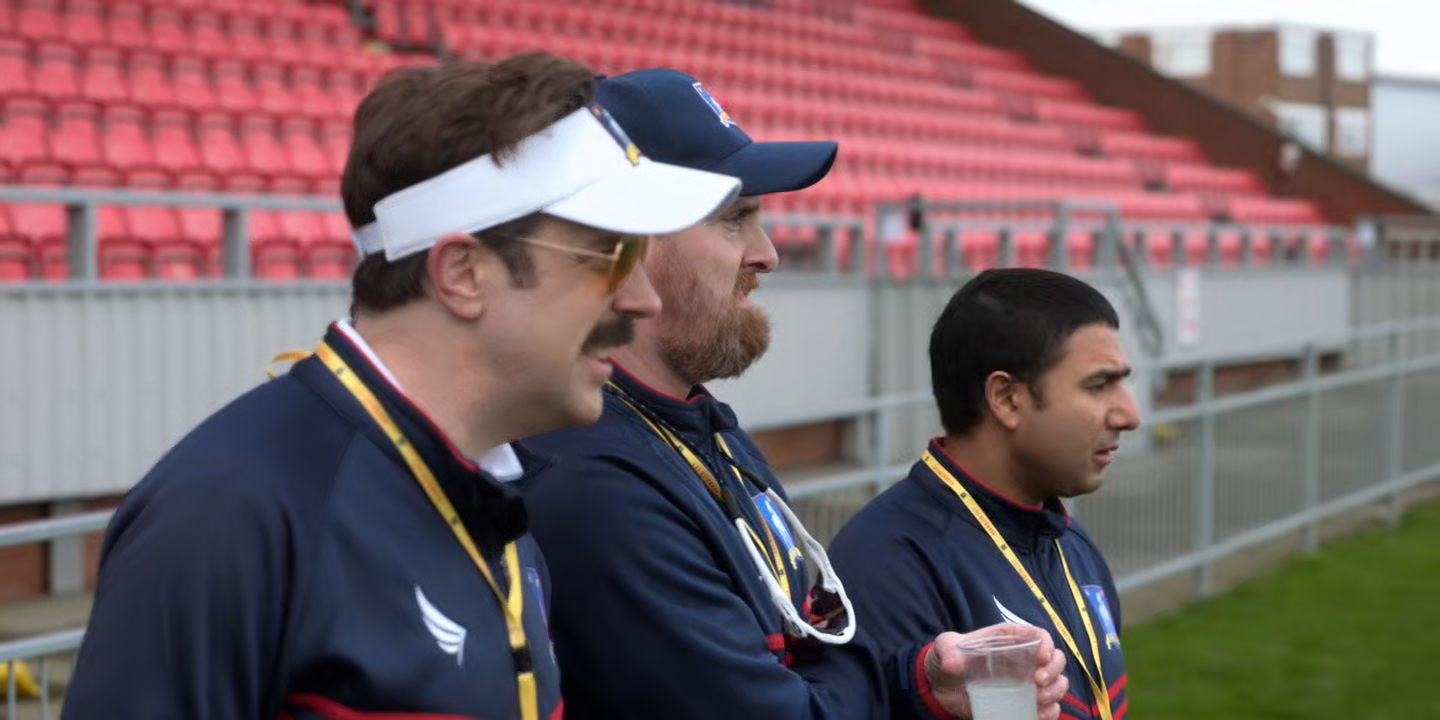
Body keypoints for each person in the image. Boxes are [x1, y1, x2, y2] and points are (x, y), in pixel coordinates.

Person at [61, 53, 741, 720]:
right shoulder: (232, 514)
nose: (643, 300)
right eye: (611, 255)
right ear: (463, 274)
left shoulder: (493, 495)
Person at [518, 68, 1069, 720]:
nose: (767, 253)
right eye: (735, 219)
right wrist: (865, 664)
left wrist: (918, 681)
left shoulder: (701, 427)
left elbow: (811, 652)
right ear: (626, 243)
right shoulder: (594, 481)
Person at [829, 268, 1142, 720]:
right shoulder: (885, 560)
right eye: (1098, 385)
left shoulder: (1072, 545)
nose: (1130, 415)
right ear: (1007, 398)